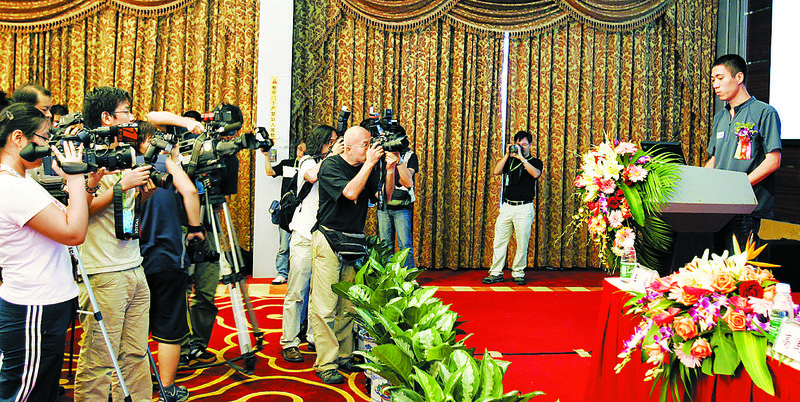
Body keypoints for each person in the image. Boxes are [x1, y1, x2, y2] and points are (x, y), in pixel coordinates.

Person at [0, 103, 97, 401]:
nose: (46, 147)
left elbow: (67, 219)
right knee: (21, 393)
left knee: (42, 390)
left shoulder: (22, 181)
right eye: (43, 138)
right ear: (18, 138)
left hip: (46, 302)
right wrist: (75, 177)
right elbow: (74, 233)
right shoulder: (12, 187)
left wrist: (84, 185)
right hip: (33, 305)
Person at [74, 86, 155, 401]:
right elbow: (80, 211)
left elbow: (128, 209)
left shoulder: (128, 152)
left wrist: (141, 192)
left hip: (134, 264)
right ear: (107, 117)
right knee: (99, 361)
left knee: (135, 354)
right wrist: (121, 185)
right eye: (126, 111)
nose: (132, 117)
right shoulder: (84, 154)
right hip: (103, 271)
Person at [310, 126, 398, 384]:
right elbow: (350, 193)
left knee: (347, 304)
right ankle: (326, 363)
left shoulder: (367, 167)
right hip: (328, 239)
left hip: (353, 241)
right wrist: (369, 164)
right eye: (365, 144)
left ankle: (344, 355)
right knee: (325, 305)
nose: (370, 148)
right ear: (348, 148)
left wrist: (389, 170)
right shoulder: (331, 166)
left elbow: (384, 198)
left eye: (371, 143)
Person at [137, 119, 204, 402]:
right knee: (169, 325)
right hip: (167, 258)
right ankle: (167, 388)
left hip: (133, 260)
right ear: (149, 141)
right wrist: (195, 228)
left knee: (134, 327)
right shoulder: (164, 165)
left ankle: (135, 383)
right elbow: (190, 192)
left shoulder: (126, 168)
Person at [704, 54, 782, 254]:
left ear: (738, 77)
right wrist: (700, 182)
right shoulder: (720, 117)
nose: (715, 85)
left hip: (746, 207)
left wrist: (741, 185)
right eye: (713, 80)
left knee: (739, 265)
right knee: (714, 264)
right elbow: (715, 159)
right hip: (719, 205)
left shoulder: (764, 112)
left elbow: (773, 160)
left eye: (720, 78)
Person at [279, 125, 342, 363]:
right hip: (304, 234)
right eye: (330, 141)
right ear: (320, 142)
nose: (333, 145)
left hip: (324, 236)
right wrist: (332, 155)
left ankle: (314, 337)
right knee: (297, 290)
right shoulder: (307, 160)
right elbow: (312, 176)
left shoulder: (334, 163)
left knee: (320, 292)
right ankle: (289, 341)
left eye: (335, 141)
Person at [482, 130, 543, 286]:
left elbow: (536, 174)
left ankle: (518, 272)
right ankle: (496, 272)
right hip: (507, 206)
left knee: (522, 243)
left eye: (524, 144)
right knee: (500, 241)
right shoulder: (509, 161)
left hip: (524, 207)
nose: (521, 147)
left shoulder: (535, 162)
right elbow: (496, 171)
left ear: (530, 145)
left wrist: (522, 158)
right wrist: (507, 155)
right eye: (518, 144)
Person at [263, 142, 307, 285]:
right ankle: (282, 273)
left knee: (302, 246)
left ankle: (300, 274)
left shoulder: (311, 166)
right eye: (299, 149)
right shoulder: (287, 164)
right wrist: (266, 156)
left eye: (304, 150)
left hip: (304, 212)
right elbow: (270, 172)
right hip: (286, 211)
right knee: (284, 246)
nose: (301, 153)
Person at [376, 143, 418, 268]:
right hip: (384, 206)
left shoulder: (410, 156)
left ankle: (408, 274)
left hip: (402, 206)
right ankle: (387, 274)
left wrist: (398, 160)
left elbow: (406, 181)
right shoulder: (380, 155)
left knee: (405, 244)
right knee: (385, 245)